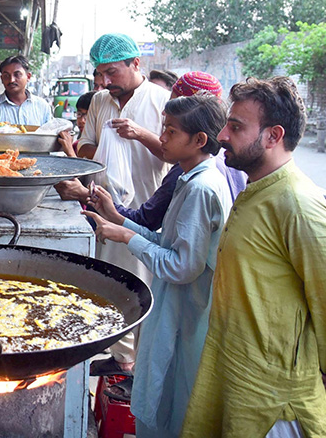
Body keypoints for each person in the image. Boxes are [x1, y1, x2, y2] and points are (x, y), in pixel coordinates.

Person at [180, 77, 326, 438]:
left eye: (235, 127)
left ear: (272, 136)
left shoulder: (298, 204)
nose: (222, 136)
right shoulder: (258, 190)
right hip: (236, 376)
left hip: (275, 401)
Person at [86, 93, 232, 437]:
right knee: (163, 397)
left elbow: (181, 266)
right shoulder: (187, 178)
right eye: (163, 128)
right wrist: (118, 217)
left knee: (176, 406)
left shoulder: (201, 188)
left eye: (170, 131)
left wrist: (125, 238)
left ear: (199, 140)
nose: (161, 137)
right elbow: (164, 240)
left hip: (189, 314)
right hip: (176, 307)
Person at [75, 33, 170, 374]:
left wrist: (139, 134)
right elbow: (85, 148)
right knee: (111, 280)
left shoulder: (161, 101)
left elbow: (174, 154)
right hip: (104, 207)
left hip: (148, 210)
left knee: (144, 286)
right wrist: (103, 149)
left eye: (112, 73)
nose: (104, 81)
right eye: (100, 74)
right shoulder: (101, 101)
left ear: (136, 64)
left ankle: (138, 365)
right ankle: (119, 356)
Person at [58, 72, 247, 231]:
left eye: (171, 131)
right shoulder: (228, 161)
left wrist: (85, 195)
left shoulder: (189, 177)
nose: (162, 138)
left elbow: (176, 259)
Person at [0, 55, 53, 126]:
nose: (11, 80)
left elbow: (49, 133)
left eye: (17, 75)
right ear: (2, 79)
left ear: (28, 77)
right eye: (6, 76)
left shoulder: (42, 106)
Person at [58, 90, 94, 158]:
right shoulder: (76, 146)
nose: (82, 120)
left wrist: (70, 152)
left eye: (88, 115)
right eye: (79, 114)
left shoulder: (102, 147)